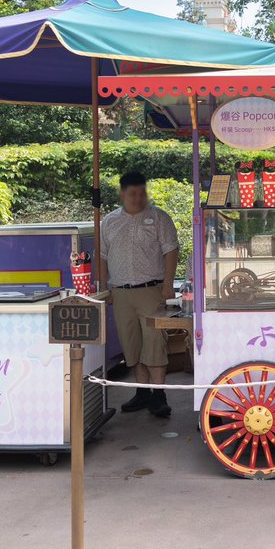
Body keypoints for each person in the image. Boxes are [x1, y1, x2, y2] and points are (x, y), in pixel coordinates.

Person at [100, 171, 180, 418]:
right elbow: (103, 256)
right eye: (132, 193)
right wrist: (106, 288)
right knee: (131, 344)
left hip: (151, 290)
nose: (138, 198)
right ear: (123, 194)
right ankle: (142, 392)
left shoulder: (159, 218)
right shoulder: (109, 221)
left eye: (142, 193)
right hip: (121, 293)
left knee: (155, 344)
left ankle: (159, 395)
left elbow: (171, 251)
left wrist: (168, 285)